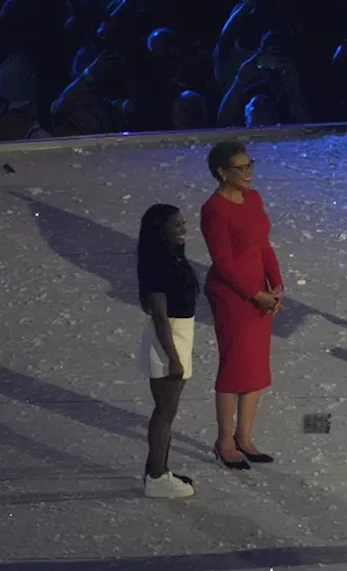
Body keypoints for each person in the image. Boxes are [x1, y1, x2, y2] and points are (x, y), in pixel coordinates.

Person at [200, 141, 284, 470]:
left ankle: (244, 437)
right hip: (232, 296)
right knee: (235, 367)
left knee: (255, 368)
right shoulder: (214, 210)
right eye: (241, 168)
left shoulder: (254, 198)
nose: (249, 173)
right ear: (222, 173)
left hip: (258, 293)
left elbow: (263, 245)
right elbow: (223, 262)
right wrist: (255, 294)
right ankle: (224, 441)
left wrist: (276, 284)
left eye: (251, 165)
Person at [136, 204, 200, 498]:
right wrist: (174, 358)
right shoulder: (157, 265)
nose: (183, 229)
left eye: (182, 223)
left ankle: (157, 470)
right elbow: (161, 317)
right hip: (169, 339)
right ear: (160, 231)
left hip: (178, 334)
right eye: (176, 225)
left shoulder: (171, 258)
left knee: (166, 412)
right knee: (164, 413)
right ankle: (157, 477)